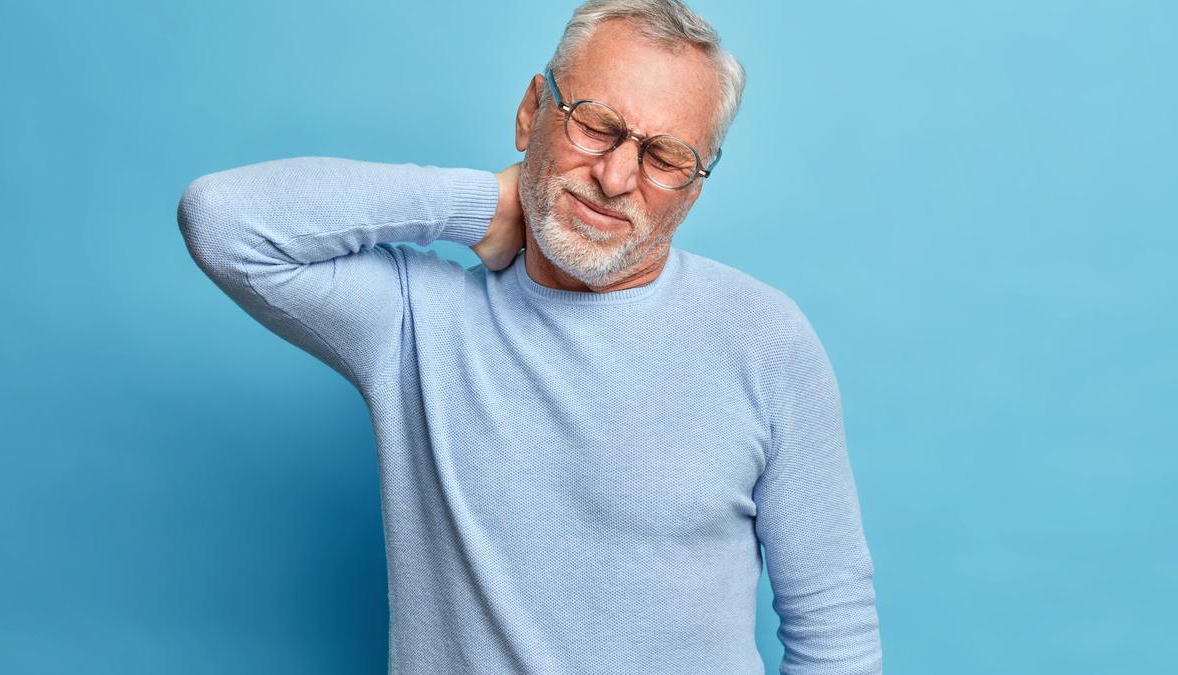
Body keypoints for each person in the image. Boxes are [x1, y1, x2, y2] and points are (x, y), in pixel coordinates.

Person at [176, 0, 883, 672]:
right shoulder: (417, 323)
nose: (615, 177)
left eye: (665, 157)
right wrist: (481, 204)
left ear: (694, 187)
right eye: (596, 124)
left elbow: (835, 630)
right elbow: (225, 221)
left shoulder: (765, 338)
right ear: (531, 112)